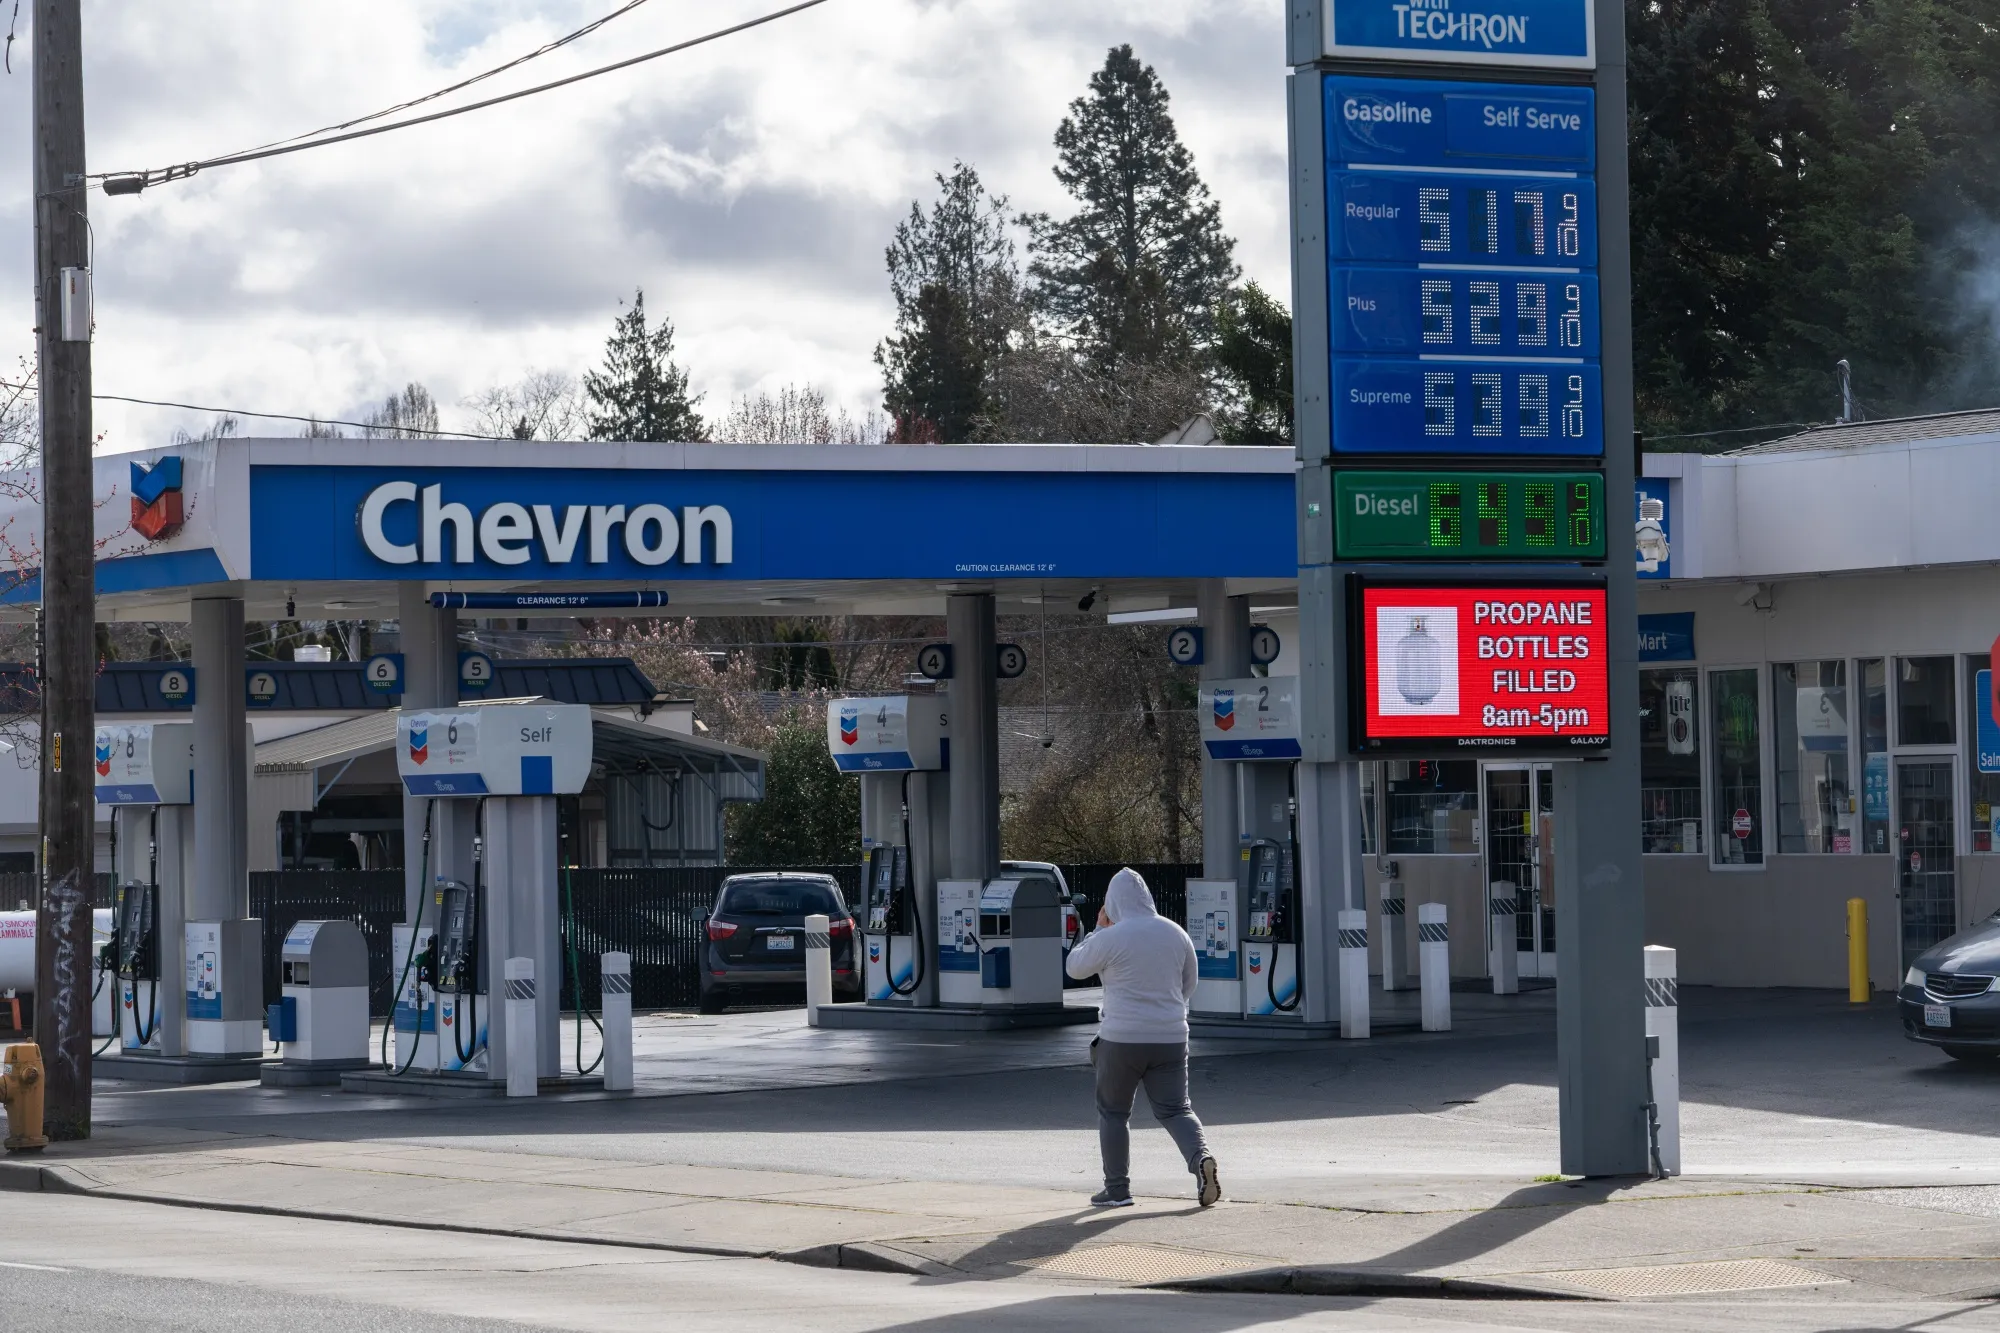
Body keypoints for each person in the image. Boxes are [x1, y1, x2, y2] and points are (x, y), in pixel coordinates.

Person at [1064, 867, 1221, 1208]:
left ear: (1112, 903)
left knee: (1114, 1113)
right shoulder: (1176, 933)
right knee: (1177, 1109)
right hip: (1171, 1036)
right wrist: (1166, 1009)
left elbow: (1074, 968)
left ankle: (1117, 1190)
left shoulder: (1111, 936)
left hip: (1121, 1039)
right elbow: (1189, 984)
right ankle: (1200, 1160)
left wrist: (1097, 930)